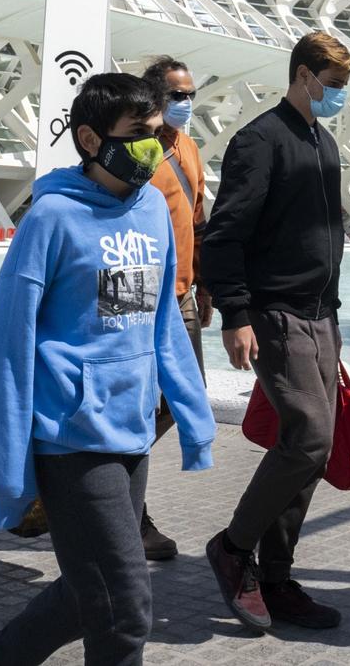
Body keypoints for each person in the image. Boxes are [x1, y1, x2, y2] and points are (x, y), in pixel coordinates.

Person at [0, 72, 214, 666]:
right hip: (70, 437)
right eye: (137, 134)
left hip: (131, 427)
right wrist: (8, 470)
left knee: (90, 590)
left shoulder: (153, 208)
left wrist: (192, 414)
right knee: (126, 605)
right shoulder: (50, 218)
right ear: (90, 139)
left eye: (156, 133)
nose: (152, 146)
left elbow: (159, 322)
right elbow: (5, 344)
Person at [198, 31, 350, 635]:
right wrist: (237, 314)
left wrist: (333, 312)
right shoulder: (259, 140)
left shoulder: (323, 141)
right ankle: (234, 549)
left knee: (308, 447)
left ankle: (278, 577)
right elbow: (227, 233)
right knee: (311, 439)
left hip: (320, 314)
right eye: (333, 85)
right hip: (274, 313)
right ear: (303, 76)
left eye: (343, 87)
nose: (338, 96)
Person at [138, 55, 211, 560]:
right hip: (140, 295)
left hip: (182, 294)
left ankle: (112, 488)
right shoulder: (137, 149)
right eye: (176, 95)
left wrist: (206, 288)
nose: (185, 103)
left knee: (187, 397)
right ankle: (127, 512)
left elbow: (199, 219)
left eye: (189, 94)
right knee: (136, 403)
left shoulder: (187, 146)